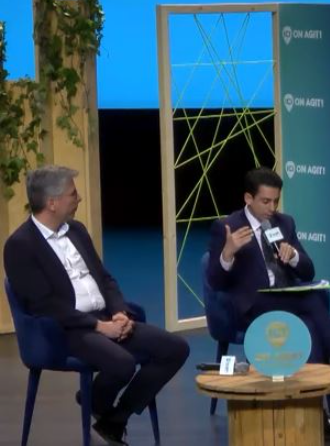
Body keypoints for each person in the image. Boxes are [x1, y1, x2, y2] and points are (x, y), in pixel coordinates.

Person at [4, 165, 190, 446]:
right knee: (123, 363)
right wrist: (99, 327)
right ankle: (96, 401)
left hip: (105, 317)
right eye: (72, 194)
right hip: (65, 330)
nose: (78, 198)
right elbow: (46, 306)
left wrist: (119, 312)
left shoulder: (77, 230)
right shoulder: (20, 245)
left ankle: (114, 419)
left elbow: (104, 278)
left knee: (175, 348)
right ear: (52, 203)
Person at [205, 167, 330, 436]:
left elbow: (308, 271)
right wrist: (228, 253)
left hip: (285, 299)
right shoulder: (227, 226)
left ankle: (316, 413)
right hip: (251, 306)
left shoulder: (284, 223)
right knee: (312, 298)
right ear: (248, 198)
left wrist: (293, 257)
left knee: (310, 325)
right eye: (265, 201)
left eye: (275, 201)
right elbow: (215, 281)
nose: (272, 208)